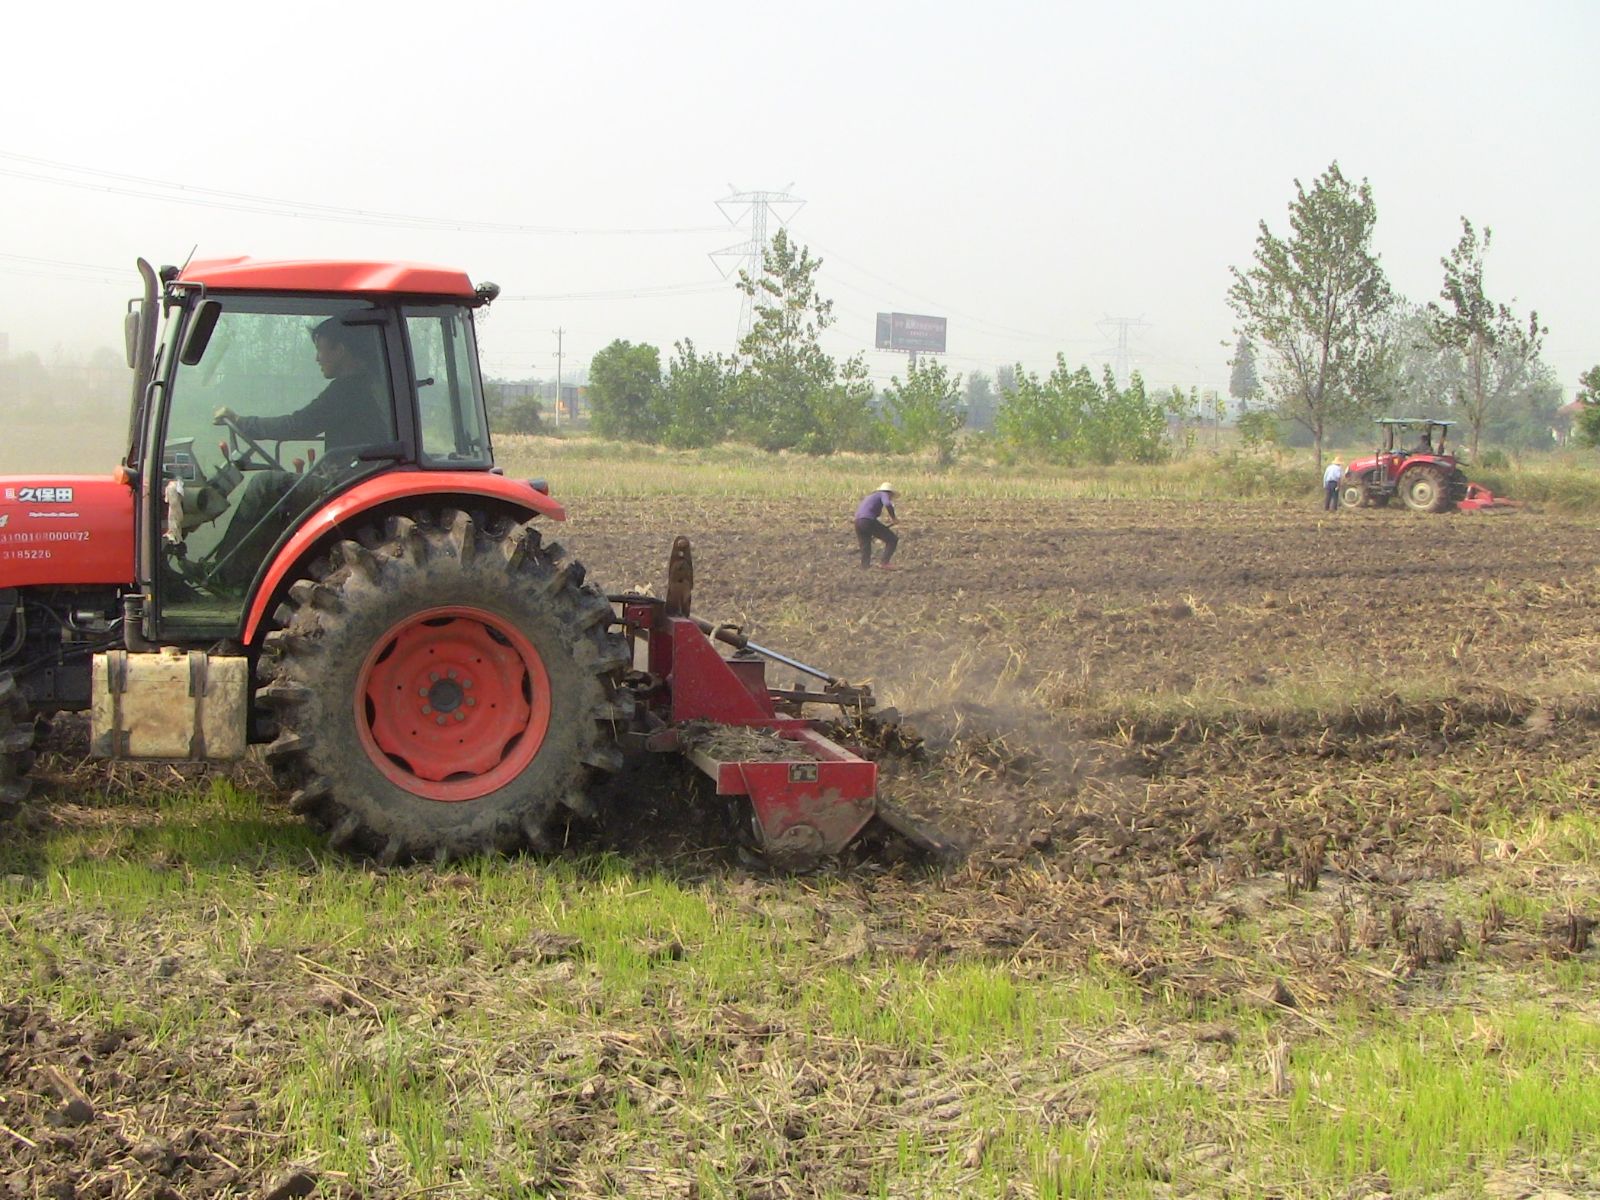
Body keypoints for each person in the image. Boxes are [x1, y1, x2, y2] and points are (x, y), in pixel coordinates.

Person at [203, 317, 390, 589]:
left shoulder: (348, 390)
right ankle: (245, 573)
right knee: (279, 487)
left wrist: (243, 422)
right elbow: (307, 424)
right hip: (354, 478)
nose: (317, 358)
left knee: (266, 484)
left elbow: (300, 423)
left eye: (322, 349)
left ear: (341, 349)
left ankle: (227, 577)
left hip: (348, 484)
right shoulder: (363, 387)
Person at [854, 482, 899, 569]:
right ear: (889, 492)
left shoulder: (871, 496)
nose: (891, 498)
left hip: (858, 522)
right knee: (892, 539)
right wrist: (894, 518)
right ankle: (884, 563)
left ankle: (865, 567)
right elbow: (888, 504)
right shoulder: (883, 494)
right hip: (868, 520)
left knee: (865, 545)